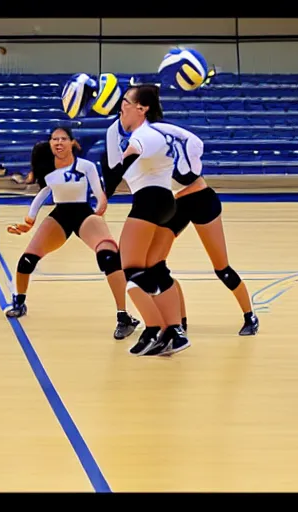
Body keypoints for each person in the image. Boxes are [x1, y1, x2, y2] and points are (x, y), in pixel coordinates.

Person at [103, 114, 259, 337]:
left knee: (221, 268)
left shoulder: (171, 148)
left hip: (201, 201)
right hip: (176, 206)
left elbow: (194, 172)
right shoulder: (146, 157)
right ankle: (180, 323)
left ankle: (249, 315)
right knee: (156, 265)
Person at [5, 126, 140, 341]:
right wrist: (29, 221)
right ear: (50, 144)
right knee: (27, 260)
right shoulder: (48, 170)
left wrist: (101, 204)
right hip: (60, 216)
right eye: (54, 139)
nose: (58, 143)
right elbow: (43, 194)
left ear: (72, 143)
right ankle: (19, 302)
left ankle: (124, 316)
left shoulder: (85, 166)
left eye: (63, 139)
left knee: (108, 256)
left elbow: (97, 189)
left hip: (83, 213)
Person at [103, 83, 190, 357]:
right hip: (162, 201)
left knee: (129, 270)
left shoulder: (147, 133)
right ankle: (174, 333)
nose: (122, 106)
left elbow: (124, 164)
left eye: (127, 102)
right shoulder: (147, 132)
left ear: (142, 109)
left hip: (150, 200)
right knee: (153, 270)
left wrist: (104, 193)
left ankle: (154, 328)